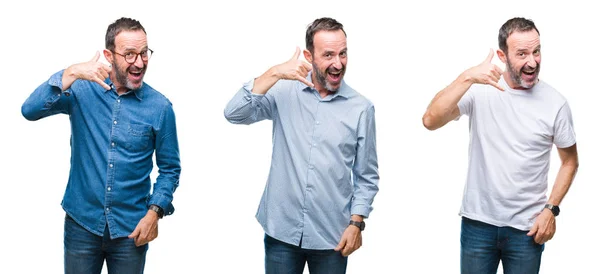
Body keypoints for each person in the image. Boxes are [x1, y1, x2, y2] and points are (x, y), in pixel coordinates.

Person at [21, 17, 181, 274]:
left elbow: (170, 168)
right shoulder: (81, 90)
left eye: (143, 53)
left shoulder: (160, 107)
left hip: (131, 230)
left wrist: (154, 212)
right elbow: (29, 110)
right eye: (129, 54)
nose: (139, 62)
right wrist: (71, 72)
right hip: (81, 225)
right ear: (109, 55)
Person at [422, 17, 579, 274]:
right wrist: (466, 78)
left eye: (536, 51)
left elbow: (570, 161)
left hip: (527, 230)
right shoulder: (481, 89)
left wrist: (551, 209)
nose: (532, 61)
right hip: (478, 226)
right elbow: (430, 120)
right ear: (502, 55)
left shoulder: (556, 103)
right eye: (522, 54)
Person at [224, 17, 379, 274]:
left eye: (343, 53)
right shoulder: (284, 90)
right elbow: (234, 113)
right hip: (281, 233)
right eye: (328, 55)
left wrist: (357, 223)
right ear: (309, 55)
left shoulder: (361, 108)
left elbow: (367, 176)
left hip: (332, 237)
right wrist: (274, 72)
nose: (338, 63)